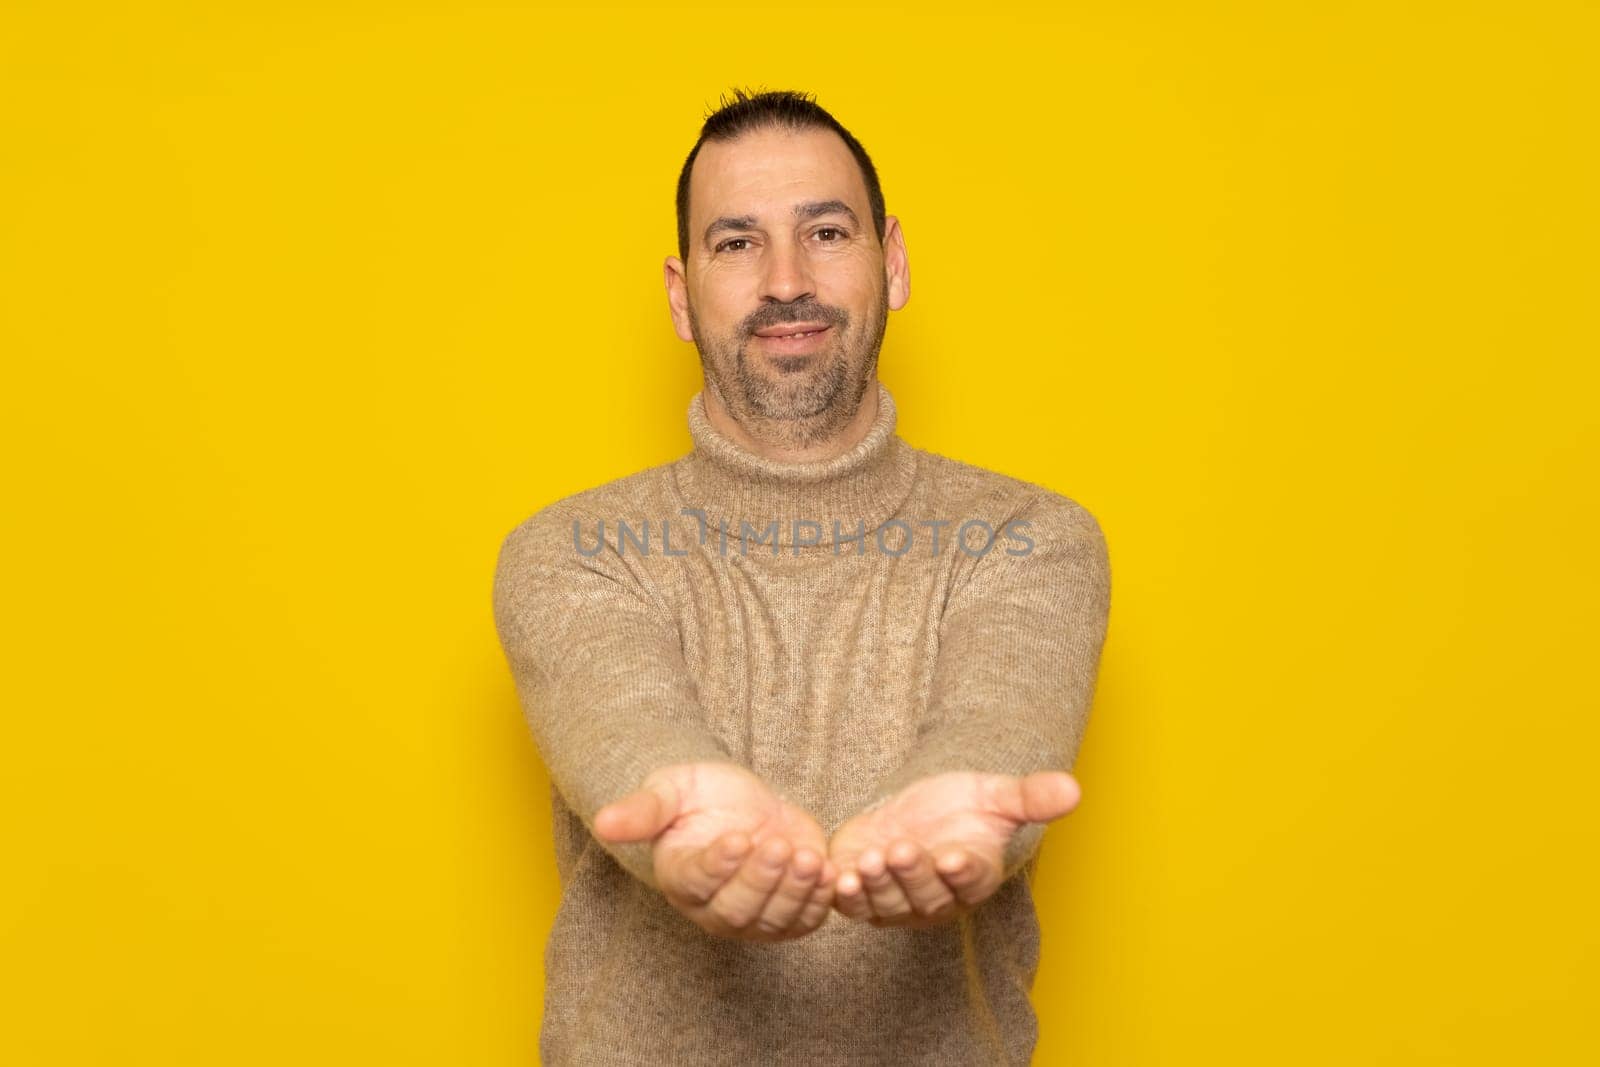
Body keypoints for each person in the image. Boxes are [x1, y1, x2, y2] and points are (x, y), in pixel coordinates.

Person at [491, 87, 1112, 1065]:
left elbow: (1000, 721)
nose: (786, 280)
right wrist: (687, 823)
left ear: (891, 261)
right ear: (678, 292)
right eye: (736, 243)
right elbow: (625, 722)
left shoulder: (1030, 539)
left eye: (824, 230)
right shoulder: (571, 551)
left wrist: (955, 805)